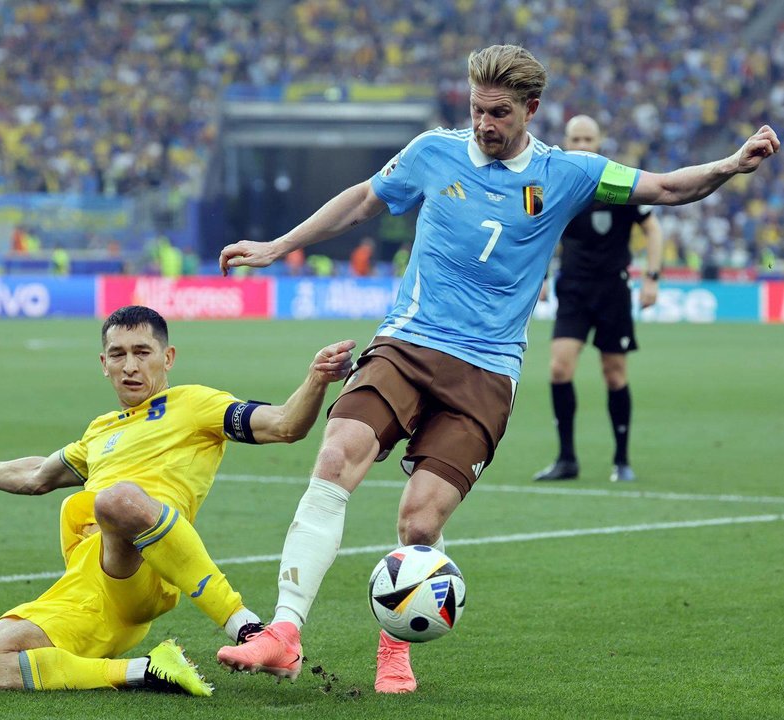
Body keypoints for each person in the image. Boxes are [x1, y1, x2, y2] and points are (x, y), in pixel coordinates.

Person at [214, 44, 778, 694]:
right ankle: (283, 632)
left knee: (420, 523)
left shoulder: (568, 172)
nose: (483, 122)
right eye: (477, 109)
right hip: (407, 342)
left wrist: (732, 165)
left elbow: (669, 188)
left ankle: (393, 649)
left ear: (530, 110)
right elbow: (363, 202)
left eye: (498, 113)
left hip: (484, 373)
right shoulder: (433, 151)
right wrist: (280, 245)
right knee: (338, 454)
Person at [0, 305, 355, 695]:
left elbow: (284, 424)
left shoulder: (194, 404)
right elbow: (38, 475)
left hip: (146, 566)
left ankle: (250, 629)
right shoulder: (101, 431)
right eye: (117, 355)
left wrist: (317, 379)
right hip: (88, 585)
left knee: (116, 500)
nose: (130, 366)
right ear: (103, 364)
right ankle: (146, 671)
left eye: (142, 352)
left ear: (167, 358)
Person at [533, 116, 664, 484]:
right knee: (559, 368)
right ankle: (566, 459)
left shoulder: (620, 179)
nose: (582, 144)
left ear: (599, 142)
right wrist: (539, 276)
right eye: (575, 138)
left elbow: (652, 228)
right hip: (573, 287)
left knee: (614, 373)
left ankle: (622, 460)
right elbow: (535, 228)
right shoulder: (549, 182)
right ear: (566, 141)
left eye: (588, 138)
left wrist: (652, 277)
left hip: (612, 289)